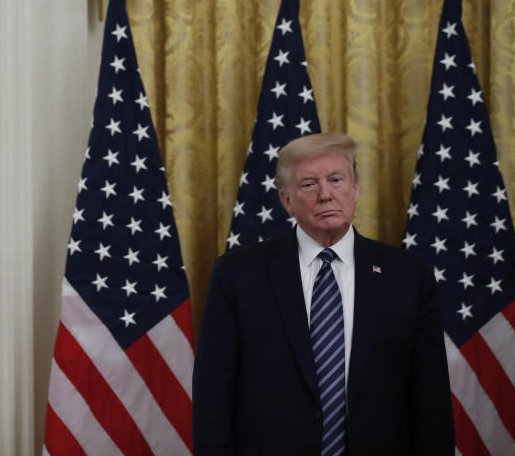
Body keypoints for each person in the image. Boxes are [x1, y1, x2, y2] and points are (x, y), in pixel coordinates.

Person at [192, 132, 454, 455]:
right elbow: (212, 397)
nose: (325, 195)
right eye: (308, 184)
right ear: (287, 200)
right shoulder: (238, 275)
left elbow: (432, 402)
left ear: (355, 188)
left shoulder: (409, 276)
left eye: (336, 180)